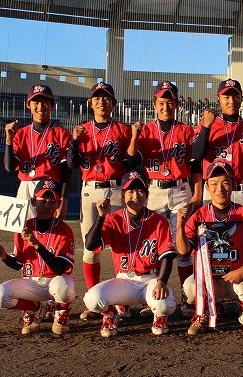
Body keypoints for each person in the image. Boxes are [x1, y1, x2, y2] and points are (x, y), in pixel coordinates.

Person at [127, 80, 202, 316]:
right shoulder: (146, 131)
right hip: (155, 190)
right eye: (162, 102)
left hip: (180, 189)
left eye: (170, 102)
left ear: (177, 104)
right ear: (155, 104)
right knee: (155, 245)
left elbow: (196, 162)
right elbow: (130, 161)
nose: (166, 106)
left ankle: (187, 298)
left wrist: (198, 191)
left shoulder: (186, 131)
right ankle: (155, 296)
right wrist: (133, 136)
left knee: (183, 246)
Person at [176, 162, 243, 336]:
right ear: (207, 187)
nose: (220, 189)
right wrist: (180, 227)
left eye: (225, 183)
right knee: (189, 286)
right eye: (214, 184)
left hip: (236, 279)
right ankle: (201, 314)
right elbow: (183, 251)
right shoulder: (199, 215)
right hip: (209, 280)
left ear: (233, 186)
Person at [67, 82, 133, 320]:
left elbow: (132, 162)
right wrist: (74, 141)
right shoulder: (81, 130)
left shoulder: (123, 130)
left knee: (121, 245)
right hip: (89, 190)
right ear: (90, 102)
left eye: (106, 98)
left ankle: (122, 300)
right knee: (90, 246)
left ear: (114, 104)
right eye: (97, 98)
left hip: (115, 189)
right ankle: (92, 299)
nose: (102, 102)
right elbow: (72, 164)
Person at [82, 170, 177, 337]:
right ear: (123, 195)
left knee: (165, 306)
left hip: (151, 280)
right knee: (92, 300)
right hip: (124, 280)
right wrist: (101, 217)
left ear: (147, 194)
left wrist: (161, 282)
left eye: (140, 191)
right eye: (130, 191)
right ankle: (110, 313)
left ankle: (159, 316)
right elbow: (91, 245)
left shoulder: (158, 221)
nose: (136, 196)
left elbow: (167, 256)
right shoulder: (113, 219)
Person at [0, 179, 75, 335]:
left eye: (52, 201)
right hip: (31, 283)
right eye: (43, 201)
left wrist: (36, 244)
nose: (47, 205)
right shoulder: (24, 227)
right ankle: (34, 309)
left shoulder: (64, 230)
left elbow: (61, 268)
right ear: (34, 201)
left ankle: (61, 313)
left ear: (58, 204)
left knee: (64, 287)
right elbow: (18, 264)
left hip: (55, 282)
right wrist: (3, 256)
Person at [191, 79, 243, 214]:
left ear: (242, 98)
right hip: (215, 191)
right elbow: (197, 155)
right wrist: (206, 127)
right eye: (226, 97)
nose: (231, 101)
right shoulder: (206, 125)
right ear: (218, 98)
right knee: (213, 233)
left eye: (236, 97)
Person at [3, 84, 71, 219]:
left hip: (50, 187)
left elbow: (67, 172)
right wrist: (9, 141)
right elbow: (9, 167)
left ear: (52, 105)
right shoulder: (20, 134)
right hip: (26, 185)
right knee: (22, 230)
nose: (41, 106)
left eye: (45, 102)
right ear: (28, 105)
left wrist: (63, 201)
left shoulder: (62, 134)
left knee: (49, 233)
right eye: (36, 102)